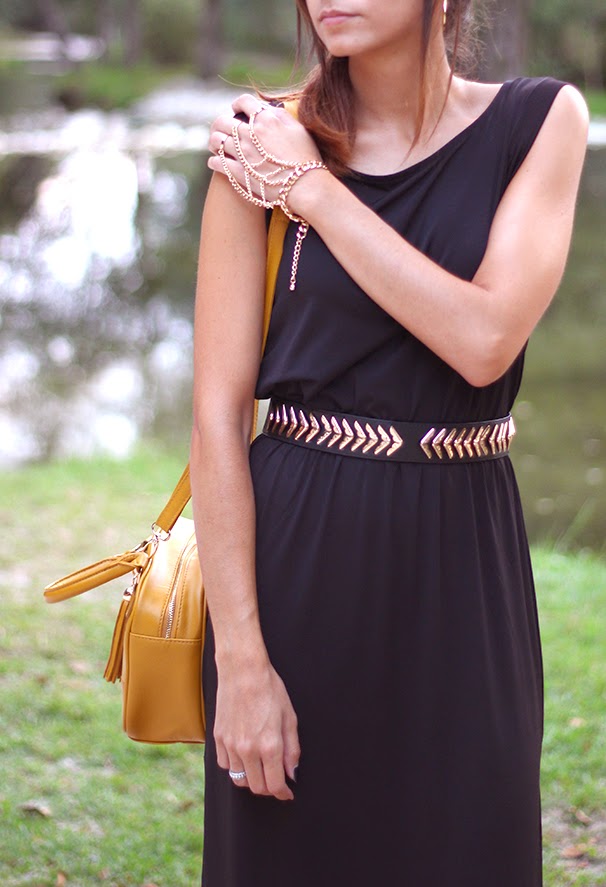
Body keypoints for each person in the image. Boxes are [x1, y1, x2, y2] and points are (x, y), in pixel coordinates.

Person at [189, 0, 588, 884]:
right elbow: (217, 416)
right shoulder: (258, 143)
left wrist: (314, 193)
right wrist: (242, 659)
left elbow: (484, 341)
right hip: (297, 565)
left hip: (465, 562)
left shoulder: (540, 121)